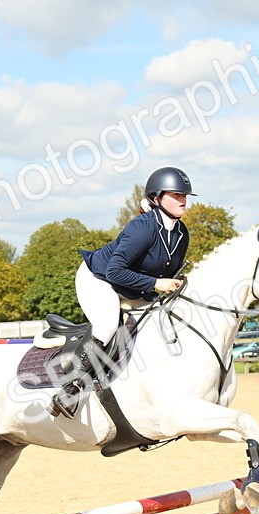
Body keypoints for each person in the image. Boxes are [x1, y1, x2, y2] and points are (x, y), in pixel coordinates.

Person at [51, 166, 195, 418]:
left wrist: (172, 283)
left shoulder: (182, 234)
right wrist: (155, 283)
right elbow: (115, 271)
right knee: (107, 326)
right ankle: (68, 389)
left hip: (132, 287)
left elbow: (167, 274)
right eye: (176, 195)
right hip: (98, 278)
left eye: (184, 196)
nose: (182, 200)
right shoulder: (143, 227)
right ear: (156, 198)